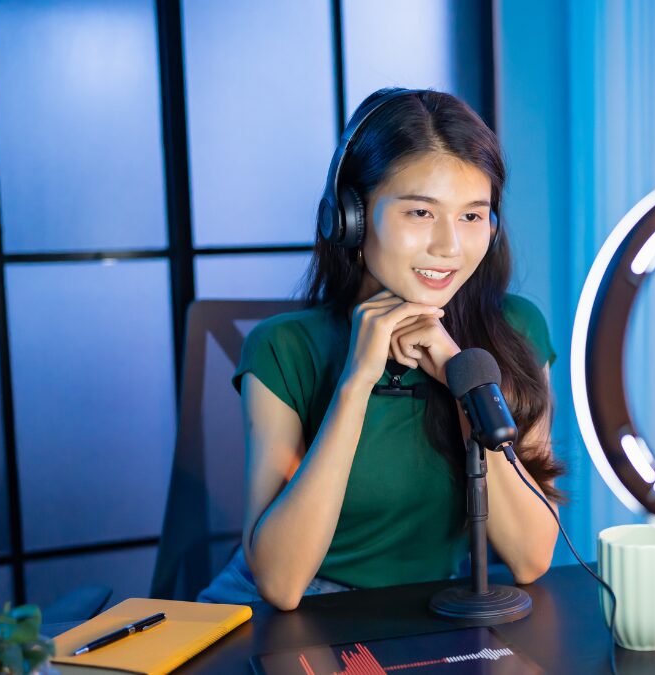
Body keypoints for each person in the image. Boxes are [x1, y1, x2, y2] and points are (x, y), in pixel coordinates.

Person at [198, 88, 564, 610]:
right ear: (351, 217)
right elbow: (279, 583)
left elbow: (531, 557)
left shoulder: (514, 332)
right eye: (420, 213)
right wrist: (355, 382)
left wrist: (462, 383)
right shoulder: (282, 349)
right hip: (288, 616)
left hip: (425, 614)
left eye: (471, 216)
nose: (449, 247)